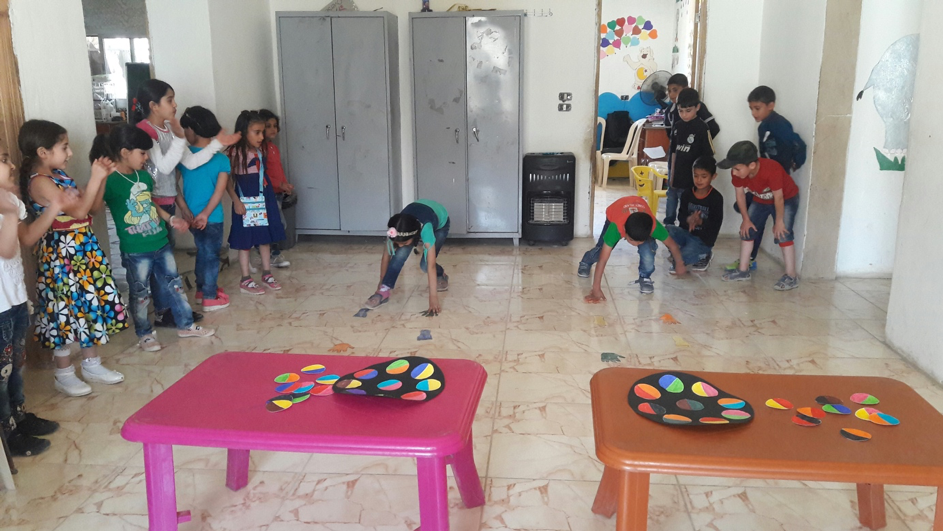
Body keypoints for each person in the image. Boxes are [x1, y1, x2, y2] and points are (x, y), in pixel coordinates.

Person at [18, 120, 128, 397]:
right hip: (61, 254)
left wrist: (101, 179)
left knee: (87, 305)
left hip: (82, 249)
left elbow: (92, 208)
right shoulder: (40, 182)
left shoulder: (59, 175)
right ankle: (64, 373)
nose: (69, 153)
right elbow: (78, 211)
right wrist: (94, 178)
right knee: (63, 310)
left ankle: (92, 364)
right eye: (64, 147)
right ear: (43, 152)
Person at [91, 125, 216, 352]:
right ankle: (145, 334)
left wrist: (171, 219)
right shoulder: (111, 180)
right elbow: (95, 209)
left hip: (160, 242)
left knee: (175, 285)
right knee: (140, 293)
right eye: (142, 153)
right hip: (135, 249)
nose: (146, 157)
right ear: (125, 152)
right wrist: (98, 180)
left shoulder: (143, 176)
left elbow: (151, 204)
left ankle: (186, 324)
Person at [132, 79, 239, 327]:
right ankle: (164, 311)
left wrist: (218, 143)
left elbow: (190, 162)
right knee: (159, 261)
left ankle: (168, 308)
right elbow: (163, 167)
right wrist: (180, 137)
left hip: (167, 202)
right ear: (153, 105)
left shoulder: (168, 131)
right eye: (169, 100)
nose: (175, 105)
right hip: (151, 204)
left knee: (166, 259)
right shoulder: (145, 131)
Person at [0, 141, 60, 456]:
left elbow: (25, 239)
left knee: (16, 364)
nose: (11, 165)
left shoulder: (10, 199)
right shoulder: (8, 206)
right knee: (2, 372)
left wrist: (52, 208)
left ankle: (19, 415)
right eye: (3, 159)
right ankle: (7, 433)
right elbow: (5, 248)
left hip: (15, 298)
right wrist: (10, 213)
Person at [727, 85, 808, 272]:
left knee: (782, 229)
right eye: (751, 109)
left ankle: (790, 274)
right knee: (751, 222)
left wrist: (796, 162)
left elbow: (798, 144)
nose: (753, 113)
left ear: (771, 105)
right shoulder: (763, 126)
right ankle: (748, 261)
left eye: (757, 108)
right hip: (762, 184)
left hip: (777, 184)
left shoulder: (781, 125)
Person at [718, 141, 800, 290]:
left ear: (751, 165)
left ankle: (791, 276)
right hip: (760, 198)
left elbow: (779, 198)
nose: (734, 173)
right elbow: (740, 195)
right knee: (747, 230)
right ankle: (743, 271)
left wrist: (779, 221)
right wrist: (746, 219)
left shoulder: (772, 170)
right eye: (733, 169)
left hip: (786, 199)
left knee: (783, 233)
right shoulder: (738, 173)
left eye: (737, 169)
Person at [177, 106, 231, 312]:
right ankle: (209, 296)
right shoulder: (221, 159)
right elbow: (219, 191)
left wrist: (184, 208)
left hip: (192, 217)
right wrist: (206, 214)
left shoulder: (184, 157)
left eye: (185, 129)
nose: (184, 133)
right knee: (211, 255)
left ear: (193, 129)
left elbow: (171, 186)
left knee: (203, 252)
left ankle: (201, 290)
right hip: (212, 217)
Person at [579, 195, 687, 297]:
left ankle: (645, 277)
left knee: (648, 252)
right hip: (617, 209)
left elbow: (673, 245)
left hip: (639, 212)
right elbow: (603, 259)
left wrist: (679, 263)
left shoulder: (654, 227)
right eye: (631, 240)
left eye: (640, 241)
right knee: (600, 250)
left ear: (650, 233)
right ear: (624, 231)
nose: (635, 245)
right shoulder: (615, 228)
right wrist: (596, 288)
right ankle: (586, 261)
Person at [227, 110, 286, 295]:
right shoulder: (234, 153)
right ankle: (245, 279)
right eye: (257, 132)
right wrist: (236, 201)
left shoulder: (260, 151)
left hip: (263, 197)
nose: (261, 136)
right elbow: (226, 180)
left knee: (264, 237)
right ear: (244, 132)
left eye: (262, 132)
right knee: (245, 240)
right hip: (245, 200)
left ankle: (267, 273)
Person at [365, 200, 450, 315]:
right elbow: (386, 257)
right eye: (398, 243)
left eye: (404, 243)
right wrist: (381, 283)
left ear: (414, 236)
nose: (400, 245)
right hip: (417, 215)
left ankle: (441, 274)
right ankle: (384, 292)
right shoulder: (398, 227)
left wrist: (433, 297)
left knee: (425, 265)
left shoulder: (426, 229)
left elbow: (431, 266)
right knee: (399, 255)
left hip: (440, 222)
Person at [664, 88, 715, 226]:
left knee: (686, 203)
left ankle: (683, 228)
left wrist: (701, 179)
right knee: (671, 197)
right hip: (676, 174)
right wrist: (671, 175)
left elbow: (708, 156)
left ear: (697, 107)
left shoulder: (702, 128)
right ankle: (668, 226)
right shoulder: (677, 126)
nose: (684, 115)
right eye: (680, 111)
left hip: (691, 178)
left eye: (688, 111)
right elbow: (673, 152)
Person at [249, 109, 292, 271]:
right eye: (268, 126)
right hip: (268, 193)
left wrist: (284, 184)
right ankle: (271, 254)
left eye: (275, 126)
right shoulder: (261, 150)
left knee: (277, 224)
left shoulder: (273, 147)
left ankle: (270, 253)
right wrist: (279, 184)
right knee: (275, 224)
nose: (273, 129)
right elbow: (263, 174)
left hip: (278, 192)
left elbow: (278, 169)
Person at [666, 155, 723, 273]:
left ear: (713, 176)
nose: (699, 180)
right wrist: (689, 219)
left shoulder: (716, 198)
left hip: (702, 241)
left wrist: (700, 221)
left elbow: (716, 224)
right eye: (695, 175)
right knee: (666, 230)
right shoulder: (687, 193)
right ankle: (682, 252)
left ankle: (704, 254)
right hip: (686, 234)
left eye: (704, 176)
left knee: (679, 261)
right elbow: (681, 216)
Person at [663, 73, 720, 139]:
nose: (671, 95)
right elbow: (670, 135)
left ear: (686, 88)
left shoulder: (697, 106)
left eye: (675, 90)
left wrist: (700, 142)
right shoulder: (669, 111)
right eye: (669, 91)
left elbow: (714, 128)